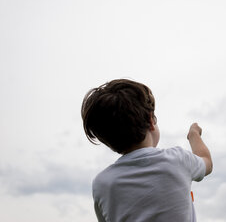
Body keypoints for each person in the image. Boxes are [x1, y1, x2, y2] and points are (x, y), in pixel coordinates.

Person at [81, 79, 213, 222]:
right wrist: (194, 135)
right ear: (151, 121)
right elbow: (207, 162)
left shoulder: (102, 184)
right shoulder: (178, 160)